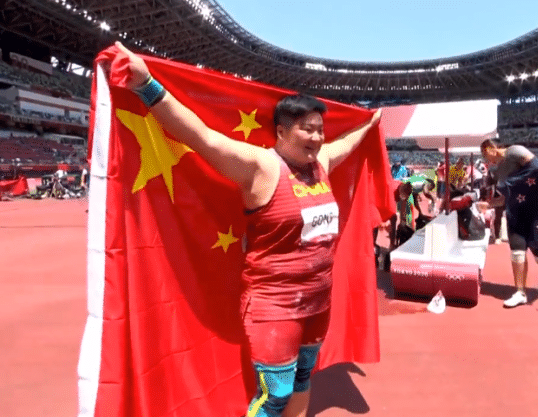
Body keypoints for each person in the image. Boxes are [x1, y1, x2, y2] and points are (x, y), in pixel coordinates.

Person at [112, 42, 381, 417]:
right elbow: (202, 137)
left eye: (320, 130)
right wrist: (146, 85)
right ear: (282, 131)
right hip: (274, 307)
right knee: (274, 395)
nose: (318, 138)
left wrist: (370, 123)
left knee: (304, 378)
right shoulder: (260, 167)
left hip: (319, 301)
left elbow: (347, 143)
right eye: (307, 130)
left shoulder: (321, 161)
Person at [477, 139, 538, 308]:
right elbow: (506, 197)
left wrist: (513, 184)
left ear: (491, 148)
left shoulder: (515, 151)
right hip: (515, 213)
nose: (485, 158)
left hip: (534, 212)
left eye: (485, 153)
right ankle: (520, 292)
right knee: (517, 252)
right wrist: (488, 204)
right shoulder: (497, 171)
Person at [390, 181, 418, 248]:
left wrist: (410, 225)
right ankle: (392, 244)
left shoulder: (406, 194)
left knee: (399, 223)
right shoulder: (394, 192)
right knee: (393, 219)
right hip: (388, 198)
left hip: (406, 223)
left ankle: (394, 243)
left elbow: (410, 211)